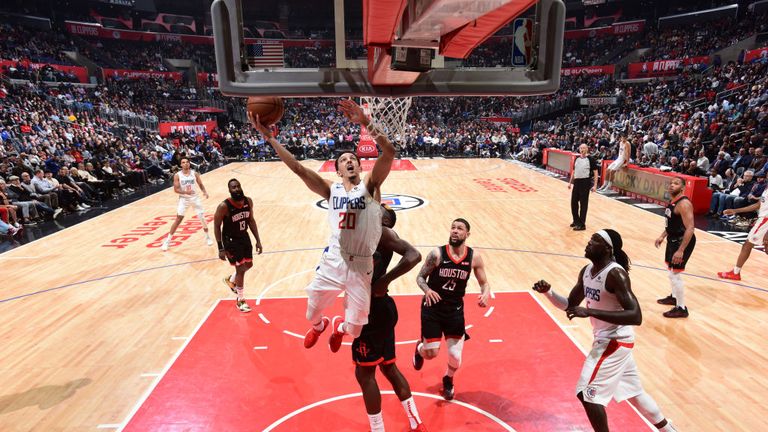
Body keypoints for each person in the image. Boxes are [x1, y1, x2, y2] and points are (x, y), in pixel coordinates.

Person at [251, 99, 395, 353]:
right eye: (343, 160)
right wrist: (270, 138)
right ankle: (320, 326)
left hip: (362, 264)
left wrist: (365, 122)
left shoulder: (370, 186)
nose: (349, 161)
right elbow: (297, 168)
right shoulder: (331, 189)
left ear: (361, 166)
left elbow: (389, 152)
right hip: (334, 260)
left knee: (355, 329)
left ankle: (339, 328)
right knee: (311, 312)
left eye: (353, 158)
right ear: (338, 170)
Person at [532, 229, 677, 432]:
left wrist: (590, 312)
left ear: (608, 248)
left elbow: (635, 316)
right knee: (635, 394)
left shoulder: (615, 274)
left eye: (595, 240)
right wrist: (548, 292)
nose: (589, 242)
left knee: (587, 394)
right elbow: (570, 305)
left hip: (614, 342)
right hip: (609, 341)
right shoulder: (587, 271)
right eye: (591, 239)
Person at [353, 205, 426, 432]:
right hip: (382, 308)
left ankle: (377, 429)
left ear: (386, 220)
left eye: (381, 212)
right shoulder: (371, 233)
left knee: (365, 373)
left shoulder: (383, 233)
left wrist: (385, 280)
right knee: (389, 368)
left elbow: (414, 255)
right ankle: (416, 422)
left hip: (372, 309)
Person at [412, 218, 491, 400]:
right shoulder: (437, 254)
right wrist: (428, 290)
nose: (455, 231)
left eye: (460, 228)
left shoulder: (474, 257)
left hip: (454, 310)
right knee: (431, 354)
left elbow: (484, 283)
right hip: (432, 308)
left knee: (455, 356)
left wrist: (485, 293)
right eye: (453, 228)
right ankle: (419, 349)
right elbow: (420, 278)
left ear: (467, 234)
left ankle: (448, 378)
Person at [214, 178, 263, 312]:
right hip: (230, 241)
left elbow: (251, 221)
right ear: (229, 190)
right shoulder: (224, 206)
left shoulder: (248, 201)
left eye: (238, 186)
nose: (236, 189)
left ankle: (231, 279)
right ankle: (240, 300)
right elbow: (217, 226)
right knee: (240, 269)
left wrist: (258, 240)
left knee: (249, 264)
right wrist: (220, 248)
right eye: (233, 187)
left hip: (244, 237)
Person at [655, 178, 696, 318]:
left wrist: (681, 250)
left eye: (676, 183)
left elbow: (690, 228)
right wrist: (662, 236)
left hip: (682, 241)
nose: (672, 185)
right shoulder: (673, 201)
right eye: (671, 183)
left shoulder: (683, 203)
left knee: (674, 274)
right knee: (671, 271)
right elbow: (672, 223)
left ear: (683, 188)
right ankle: (674, 297)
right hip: (673, 239)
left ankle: (681, 308)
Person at [160, 158, 213, 251]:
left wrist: (204, 192)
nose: (185, 164)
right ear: (181, 165)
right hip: (184, 199)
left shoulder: (195, 173)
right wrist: (185, 192)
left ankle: (208, 237)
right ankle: (167, 241)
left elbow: (200, 184)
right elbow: (176, 190)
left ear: (189, 163)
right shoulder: (177, 175)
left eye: (187, 162)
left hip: (195, 198)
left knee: (202, 218)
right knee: (178, 219)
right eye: (183, 162)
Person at [717, 185, 768, 281]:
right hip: (763, 220)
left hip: (765, 221)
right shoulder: (766, 188)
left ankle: (735, 272)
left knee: (747, 245)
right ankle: (736, 272)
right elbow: (758, 205)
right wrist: (735, 211)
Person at [569, 144, 599, 231]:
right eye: (581, 148)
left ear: (587, 149)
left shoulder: (591, 159)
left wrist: (595, 185)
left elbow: (596, 172)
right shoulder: (577, 159)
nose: (582, 149)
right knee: (573, 202)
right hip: (577, 182)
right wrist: (570, 182)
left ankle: (582, 224)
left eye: (584, 148)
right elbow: (574, 171)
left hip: (585, 182)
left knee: (583, 204)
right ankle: (576, 220)